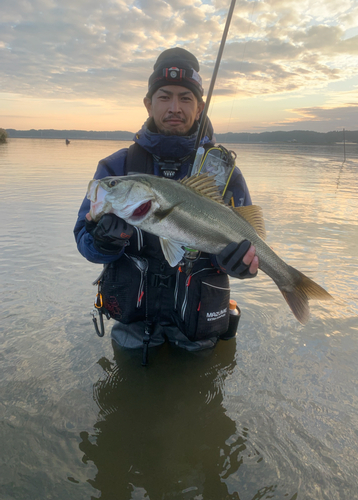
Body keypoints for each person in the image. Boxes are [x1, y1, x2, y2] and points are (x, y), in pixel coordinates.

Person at [74, 47, 258, 355]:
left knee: (199, 395)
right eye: (164, 96)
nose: (175, 107)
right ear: (148, 104)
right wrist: (102, 241)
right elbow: (83, 239)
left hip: (198, 325)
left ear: (199, 107)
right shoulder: (115, 168)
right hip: (133, 322)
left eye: (186, 98)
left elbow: (251, 248)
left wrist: (237, 264)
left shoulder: (224, 174)